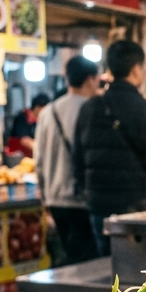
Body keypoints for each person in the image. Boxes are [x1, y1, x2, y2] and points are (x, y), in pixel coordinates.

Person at [73, 40, 146, 256]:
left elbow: (77, 159)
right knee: (140, 268)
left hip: (99, 204)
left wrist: (89, 192)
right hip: (136, 205)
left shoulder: (89, 108)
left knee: (107, 264)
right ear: (136, 69)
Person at [38, 55, 101, 265]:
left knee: (70, 256)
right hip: (80, 199)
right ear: (90, 79)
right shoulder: (91, 110)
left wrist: (44, 198)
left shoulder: (47, 112)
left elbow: (38, 160)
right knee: (88, 263)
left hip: (55, 198)